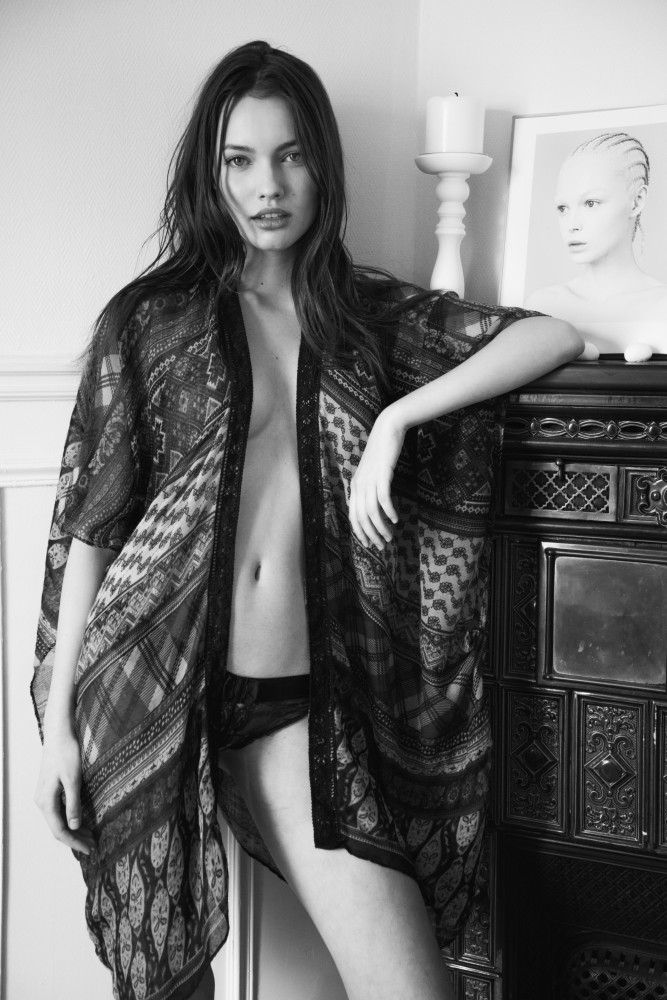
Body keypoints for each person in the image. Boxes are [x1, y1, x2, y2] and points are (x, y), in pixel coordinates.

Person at [32, 40, 582, 1000]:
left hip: (294, 705)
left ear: (320, 164)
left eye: (289, 156)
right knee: (165, 983)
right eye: (240, 160)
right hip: (148, 689)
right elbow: (93, 527)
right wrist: (57, 730)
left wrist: (398, 420)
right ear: (210, 173)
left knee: (411, 989)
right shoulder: (152, 321)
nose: (267, 186)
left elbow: (551, 335)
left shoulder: (363, 317)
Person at [526, 131, 667, 356]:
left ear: (637, 201)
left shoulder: (662, 303)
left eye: (591, 203)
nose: (572, 225)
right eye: (563, 208)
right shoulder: (542, 304)